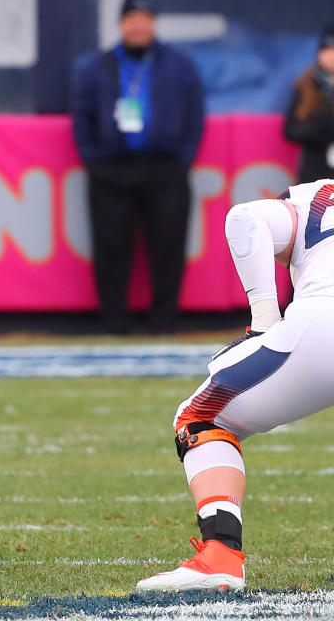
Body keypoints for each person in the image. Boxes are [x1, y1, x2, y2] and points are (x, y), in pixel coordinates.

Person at [136, 179, 334, 592]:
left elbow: (246, 218)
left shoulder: (314, 199)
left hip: (324, 322)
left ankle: (220, 556)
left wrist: (264, 320)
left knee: (201, 416)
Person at [70, 0, 205, 334]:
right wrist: (95, 162)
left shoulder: (179, 65)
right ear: (121, 23)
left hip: (165, 170)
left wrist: (182, 159)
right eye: (132, 19)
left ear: (154, 23)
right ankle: (114, 322)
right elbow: (82, 118)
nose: (139, 26)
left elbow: (194, 116)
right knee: (111, 247)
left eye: (145, 19)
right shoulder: (97, 66)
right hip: (112, 171)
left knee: (168, 247)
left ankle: (163, 321)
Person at [283, 22, 334, 184]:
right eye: (327, 50)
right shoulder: (307, 84)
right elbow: (290, 131)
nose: (331, 55)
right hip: (315, 171)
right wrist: (320, 126)